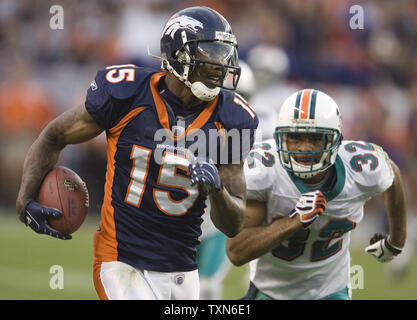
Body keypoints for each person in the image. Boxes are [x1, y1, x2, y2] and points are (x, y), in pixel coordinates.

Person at [16, 6, 258, 300]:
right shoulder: (128, 94)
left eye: (225, 53)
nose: (221, 64)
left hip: (182, 271)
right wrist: (24, 199)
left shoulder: (231, 118)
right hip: (121, 260)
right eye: (211, 53)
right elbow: (53, 135)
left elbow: (233, 224)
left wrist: (216, 190)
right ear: (178, 53)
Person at [226, 89, 407, 300]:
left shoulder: (360, 167)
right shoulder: (264, 170)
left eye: (315, 138)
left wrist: (396, 241)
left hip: (332, 290)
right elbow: (236, 252)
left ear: (335, 141)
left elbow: (392, 176)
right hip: (271, 292)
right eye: (294, 137)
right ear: (280, 138)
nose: (304, 148)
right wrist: (294, 222)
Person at [197, 60, 255, 300]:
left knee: (206, 288)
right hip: (181, 212)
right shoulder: (190, 118)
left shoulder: (251, 123)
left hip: (220, 216)